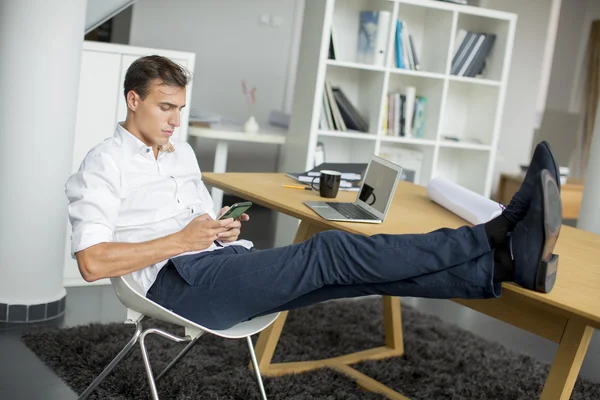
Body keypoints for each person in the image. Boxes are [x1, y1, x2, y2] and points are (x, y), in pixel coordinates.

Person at [65, 55, 563, 330]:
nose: (176, 121)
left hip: (218, 265)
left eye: (180, 109)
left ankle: (502, 265)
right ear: (134, 101)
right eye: (165, 108)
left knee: (348, 275)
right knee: (333, 248)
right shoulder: (104, 164)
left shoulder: (181, 154)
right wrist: (183, 241)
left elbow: (196, 227)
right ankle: (494, 233)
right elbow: (91, 262)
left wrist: (217, 228)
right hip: (177, 289)